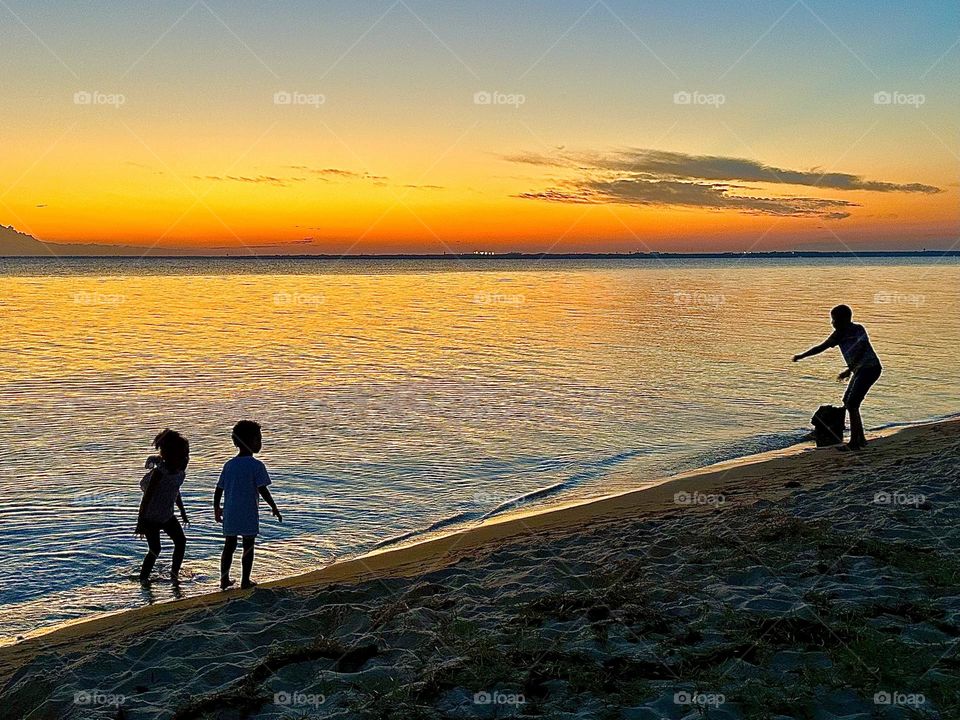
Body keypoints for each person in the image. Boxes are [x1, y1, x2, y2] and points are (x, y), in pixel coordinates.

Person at [792, 304, 882, 450]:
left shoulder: (858, 329)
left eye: (834, 320)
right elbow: (821, 347)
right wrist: (802, 356)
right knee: (848, 401)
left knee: (852, 404)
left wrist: (849, 370)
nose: (832, 323)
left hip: (870, 369)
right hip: (859, 371)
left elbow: (862, 348)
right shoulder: (838, 335)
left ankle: (854, 442)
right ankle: (861, 439)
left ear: (844, 319)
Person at [213, 420, 282, 589]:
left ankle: (224, 579)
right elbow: (263, 490)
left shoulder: (229, 465)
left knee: (229, 546)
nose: (260, 443)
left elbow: (218, 489)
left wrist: (217, 509)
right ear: (250, 441)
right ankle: (245, 580)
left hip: (230, 513)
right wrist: (274, 507)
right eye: (258, 439)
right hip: (248, 513)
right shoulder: (256, 465)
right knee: (248, 546)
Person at [137, 429, 190, 584]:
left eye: (187, 454)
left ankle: (174, 575)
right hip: (151, 517)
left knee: (181, 541)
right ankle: (143, 579)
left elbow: (175, 491)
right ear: (170, 456)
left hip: (167, 516)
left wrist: (183, 512)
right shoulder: (160, 473)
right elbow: (147, 498)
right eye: (182, 455)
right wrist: (141, 522)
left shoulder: (180, 472)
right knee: (155, 549)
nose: (186, 458)